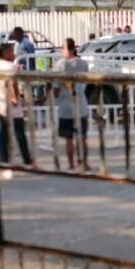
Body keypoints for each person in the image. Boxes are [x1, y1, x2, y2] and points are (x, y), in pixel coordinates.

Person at [0, 43, 33, 174]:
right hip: (11, 106)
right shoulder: (10, 66)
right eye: (12, 52)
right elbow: (12, 84)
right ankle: (27, 160)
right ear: (6, 53)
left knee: (1, 136)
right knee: (20, 135)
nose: (14, 55)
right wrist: (16, 98)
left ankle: (4, 162)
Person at [52, 38, 89, 170]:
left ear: (67, 49)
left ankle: (71, 164)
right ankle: (84, 163)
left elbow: (55, 88)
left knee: (69, 139)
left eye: (63, 48)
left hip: (66, 106)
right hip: (81, 105)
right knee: (82, 138)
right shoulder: (83, 64)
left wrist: (53, 94)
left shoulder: (59, 65)